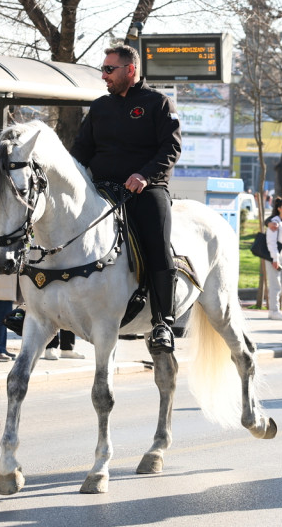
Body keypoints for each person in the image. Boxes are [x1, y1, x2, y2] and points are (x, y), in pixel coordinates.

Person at [70, 44, 183, 353]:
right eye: (102, 69)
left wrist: (145, 175)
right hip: (102, 190)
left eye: (109, 69)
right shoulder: (99, 107)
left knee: (158, 248)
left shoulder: (159, 103)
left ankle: (162, 322)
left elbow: (170, 149)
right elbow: (81, 150)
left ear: (130, 70)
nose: (103, 75)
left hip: (145, 191)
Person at [263, 198, 282, 321]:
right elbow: (271, 242)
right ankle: (274, 311)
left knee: (280, 284)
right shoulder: (275, 222)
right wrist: (274, 258)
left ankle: (276, 310)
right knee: (275, 284)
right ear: (279, 209)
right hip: (274, 258)